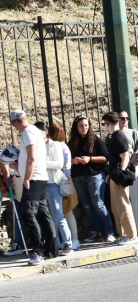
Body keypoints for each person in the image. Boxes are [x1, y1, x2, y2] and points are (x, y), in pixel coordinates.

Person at [11, 111, 57, 265]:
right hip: (40, 176)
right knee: (43, 213)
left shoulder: (28, 132)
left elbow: (32, 157)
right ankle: (52, 249)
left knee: (28, 214)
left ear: (14, 123)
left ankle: (38, 251)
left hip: (34, 178)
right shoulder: (36, 131)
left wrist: (26, 178)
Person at [68, 114, 114, 244]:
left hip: (94, 175)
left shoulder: (95, 139)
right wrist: (73, 161)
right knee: (87, 206)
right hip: (78, 177)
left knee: (98, 204)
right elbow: (65, 160)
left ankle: (109, 231)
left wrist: (90, 159)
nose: (84, 128)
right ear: (76, 127)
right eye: (81, 125)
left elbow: (106, 157)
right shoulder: (72, 143)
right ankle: (95, 231)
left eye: (86, 125)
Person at [101, 112, 138, 245]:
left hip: (118, 177)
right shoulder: (114, 136)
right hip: (114, 175)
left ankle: (131, 235)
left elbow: (125, 157)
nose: (105, 127)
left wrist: (120, 174)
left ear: (107, 124)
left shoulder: (118, 136)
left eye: (105, 124)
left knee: (123, 206)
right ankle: (123, 234)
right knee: (116, 207)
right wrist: (111, 175)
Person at [38, 122, 73, 256]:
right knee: (48, 218)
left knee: (58, 216)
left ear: (45, 131)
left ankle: (68, 243)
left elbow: (59, 163)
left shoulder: (55, 145)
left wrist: (41, 162)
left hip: (53, 183)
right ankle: (55, 243)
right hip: (41, 183)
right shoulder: (37, 146)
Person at [118, 110, 138, 234]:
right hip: (120, 169)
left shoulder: (133, 132)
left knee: (136, 198)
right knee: (123, 200)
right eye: (122, 118)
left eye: (127, 118)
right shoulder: (113, 134)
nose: (125, 120)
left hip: (134, 167)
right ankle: (126, 228)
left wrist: (135, 157)